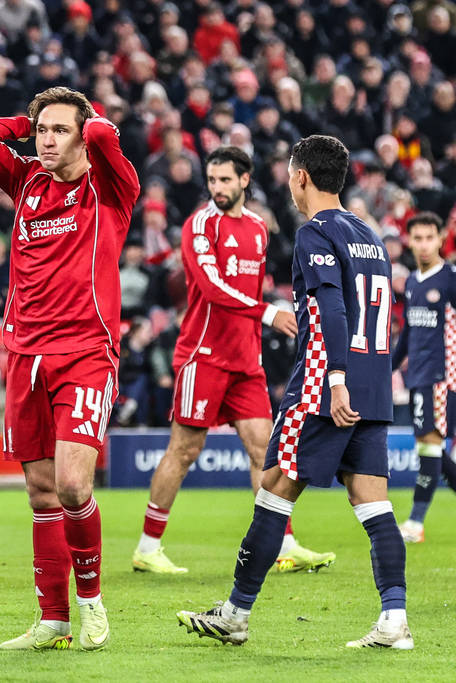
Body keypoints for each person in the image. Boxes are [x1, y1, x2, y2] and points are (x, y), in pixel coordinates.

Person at [178, 135, 412, 649]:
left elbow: (332, 308)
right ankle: (395, 620)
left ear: (301, 176)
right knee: (373, 503)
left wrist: (335, 380)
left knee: (274, 490)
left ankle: (235, 614)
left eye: (289, 174)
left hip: (325, 387)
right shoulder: (370, 235)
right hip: (372, 386)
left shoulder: (315, 233)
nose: (288, 182)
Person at [0, 86, 141, 651]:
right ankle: (53, 619)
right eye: (42, 132)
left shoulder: (109, 188)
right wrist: (29, 120)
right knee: (41, 492)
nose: (46, 141)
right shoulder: (26, 182)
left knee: (72, 484)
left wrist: (83, 123)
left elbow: (105, 134)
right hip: (25, 354)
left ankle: (91, 603)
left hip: (85, 352)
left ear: (83, 136)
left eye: (60, 131)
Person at [132, 147, 335, 575]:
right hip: (203, 355)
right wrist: (268, 312)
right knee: (184, 450)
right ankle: (148, 547)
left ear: (245, 180)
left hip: (245, 360)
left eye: (225, 180)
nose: (217, 188)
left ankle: (283, 544)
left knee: (265, 449)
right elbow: (211, 287)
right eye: (212, 180)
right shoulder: (200, 225)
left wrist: (269, 316)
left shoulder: (258, 228)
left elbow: (250, 290)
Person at [390, 211, 456, 543]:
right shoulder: (414, 282)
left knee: (429, 444)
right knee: (429, 448)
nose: (424, 245)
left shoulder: (451, 279)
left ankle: (415, 523)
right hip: (418, 374)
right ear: (409, 241)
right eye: (418, 238)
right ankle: (415, 522)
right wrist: (388, 367)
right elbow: (408, 334)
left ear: (441, 239)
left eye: (430, 237)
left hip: (443, 376)